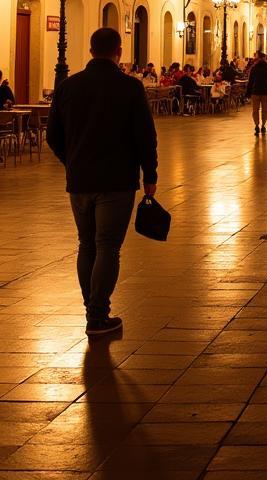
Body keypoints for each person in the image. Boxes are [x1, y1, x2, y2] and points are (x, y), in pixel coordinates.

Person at [47, 27, 158, 337]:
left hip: (80, 181)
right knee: (108, 246)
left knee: (86, 244)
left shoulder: (68, 86)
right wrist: (150, 175)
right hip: (117, 180)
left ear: (91, 50)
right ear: (119, 52)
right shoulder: (130, 87)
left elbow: (52, 136)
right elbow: (145, 136)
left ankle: (92, 311)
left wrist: (71, 162)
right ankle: (97, 316)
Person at [246, 50, 267, 135]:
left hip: (255, 91)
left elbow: (250, 81)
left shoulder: (254, 68)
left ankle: (256, 125)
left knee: (255, 110)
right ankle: (263, 125)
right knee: (264, 110)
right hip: (265, 91)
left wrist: (248, 93)